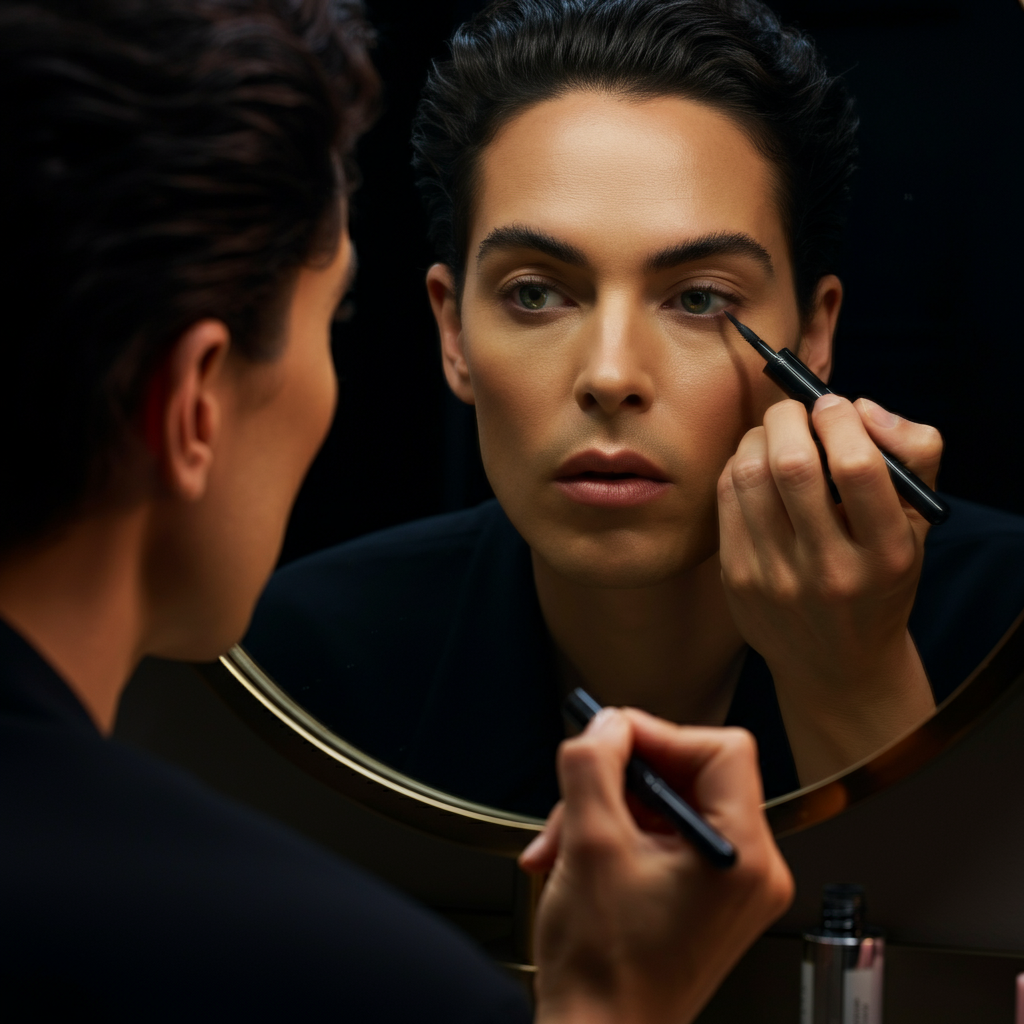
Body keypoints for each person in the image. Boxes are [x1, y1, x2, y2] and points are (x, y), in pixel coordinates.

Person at [0, 0, 794, 1020]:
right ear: (194, 401)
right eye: (329, 318)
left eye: (698, 297)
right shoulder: (335, 975)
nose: (609, 376)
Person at [246, 0, 1024, 813]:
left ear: (815, 333)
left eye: (697, 298)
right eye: (536, 293)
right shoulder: (305, 656)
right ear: (453, 333)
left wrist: (854, 682)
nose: (611, 375)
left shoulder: (1007, 627)